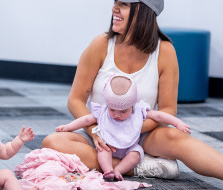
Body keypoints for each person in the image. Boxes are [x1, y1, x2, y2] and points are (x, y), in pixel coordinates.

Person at [42, 0, 223, 190]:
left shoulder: (165, 51)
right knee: (52, 142)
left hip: (143, 133)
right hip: (100, 133)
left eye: (123, 4)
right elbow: (75, 100)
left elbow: (167, 109)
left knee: (176, 136)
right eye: (115, 2)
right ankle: (140, 167)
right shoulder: (100, 45)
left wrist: (130, 130)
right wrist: (97, 132)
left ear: (143, 12)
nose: (114, 8)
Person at [55, 75, 190, 181]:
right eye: (112, 110)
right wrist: (68, 127)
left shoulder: (139, 111)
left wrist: (177, 123)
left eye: (123, 111)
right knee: (102, 150)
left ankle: (119, 170)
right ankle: (108, 169)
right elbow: (85, 120)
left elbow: (159, 116)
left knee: (136, 154)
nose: (117, 115)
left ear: (132, 104)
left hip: (129, 147)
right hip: (108, 144)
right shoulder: (103, 111)